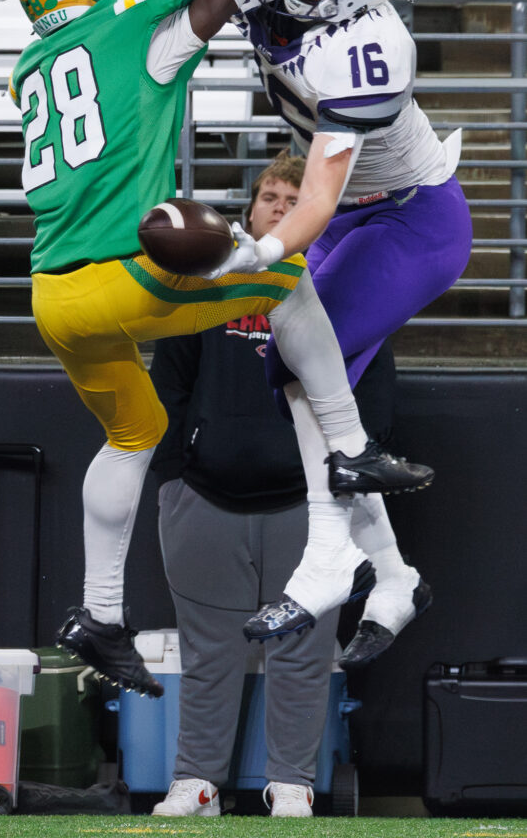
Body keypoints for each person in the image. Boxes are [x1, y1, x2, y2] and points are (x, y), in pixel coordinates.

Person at [0, 0, 431, 697]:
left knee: (133, 433)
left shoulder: (31, 64)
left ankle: (99, 615)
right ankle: (347, 448)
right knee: (287, 275)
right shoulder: (138, 41)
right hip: (126, 274)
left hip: (51, 295)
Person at [206, 0, 472, 654]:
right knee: (294, 375)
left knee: (300, 366)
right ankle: (391, 576)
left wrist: (260, 250)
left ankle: (329, 558)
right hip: (358, 210)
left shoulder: (369, 46)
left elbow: (318, 196)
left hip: (408, 218)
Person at [150, 153, 400, 818]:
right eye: (270, 196)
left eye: (297, 197)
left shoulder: (347, 292)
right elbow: (167, 389)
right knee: (208, 654)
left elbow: (373, 398)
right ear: (251, 209)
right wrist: (173, 479)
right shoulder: (208, 285)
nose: (281, 207)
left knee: (304, 654)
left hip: (306, 506)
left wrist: (341, 496)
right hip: (204, 496)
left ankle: (290, 783)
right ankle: (195, 782)